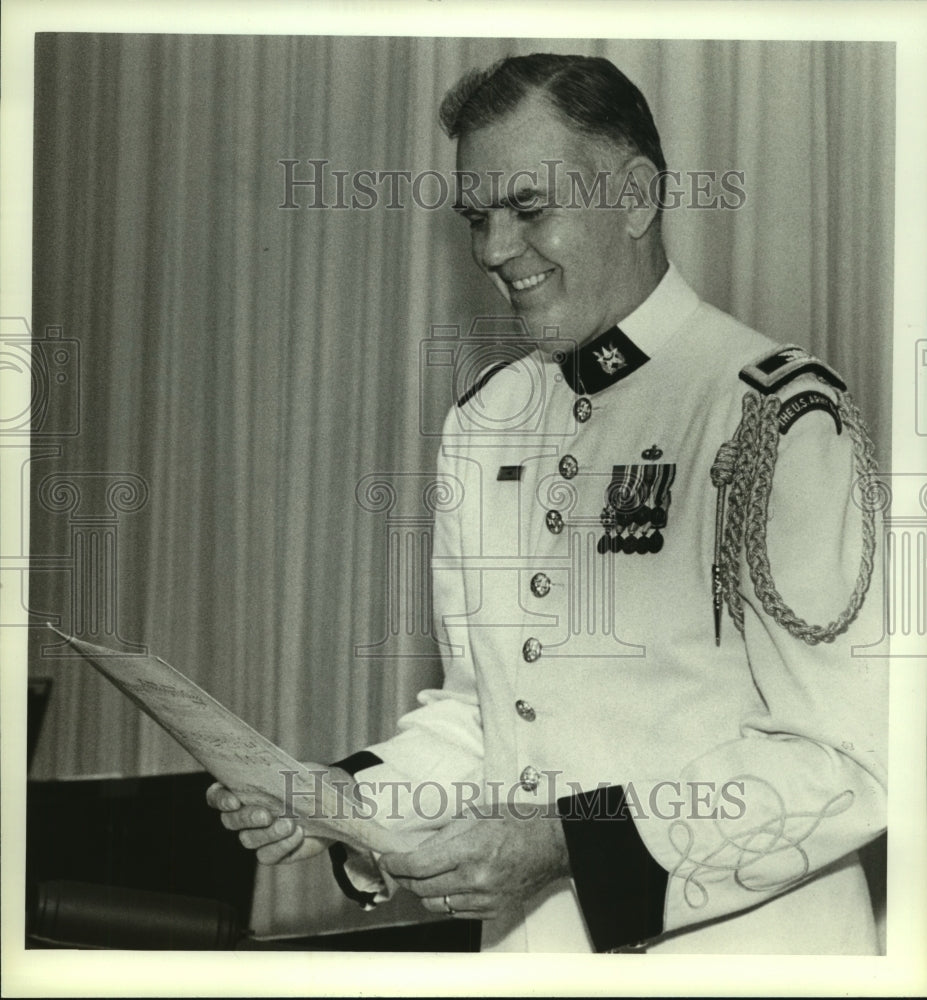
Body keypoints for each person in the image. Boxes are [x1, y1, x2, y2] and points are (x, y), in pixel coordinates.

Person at [208, 53, 887, 954]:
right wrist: (344, 799)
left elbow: (848, 761)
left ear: (636, 197)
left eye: (530, 210)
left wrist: (567, 845)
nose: (493, 250)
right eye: (478, 218)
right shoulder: (488, 421)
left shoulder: (770, 414)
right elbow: (485, 712)